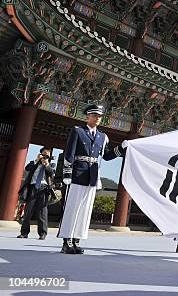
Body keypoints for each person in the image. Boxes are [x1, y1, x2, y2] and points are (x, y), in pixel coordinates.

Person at [58, 104, 125, 254]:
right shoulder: (78, 131)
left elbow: (106, 156)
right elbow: (69, 153)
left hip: (92, 175)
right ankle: (66, 241)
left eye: (99, 116)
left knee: (85, 210)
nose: (97, 118)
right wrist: (67, 174)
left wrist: (121, 148)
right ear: (87, 116)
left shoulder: (103, 136)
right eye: (94, 115)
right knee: (72, 208)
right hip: (77, 174)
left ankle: (76, 240)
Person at [17, 147, 55, 239]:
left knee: (42, 212)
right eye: (44, 153)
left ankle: (42, 234)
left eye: (48, 154)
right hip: (32, 188)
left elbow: (51, 172)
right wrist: (36, 160)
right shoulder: (34, 163)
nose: (46, 155)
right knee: (28, 211)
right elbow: (27, 168)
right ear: (40, 153)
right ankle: (24, 233)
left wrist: (46, 164)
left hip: (44, 189)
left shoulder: (51, 164)